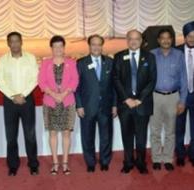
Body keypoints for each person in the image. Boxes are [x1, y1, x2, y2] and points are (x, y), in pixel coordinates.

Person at [113, 30, 157, 174]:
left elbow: (152, 80)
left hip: (142, 104)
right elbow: (116, 79)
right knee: (126, 135)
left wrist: (139, 99)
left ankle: (141, 162)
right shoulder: (119, 56)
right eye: (131, 38)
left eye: (136, 39)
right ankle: (128, 162)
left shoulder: (149, 57)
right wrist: (126, 99)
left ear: (141, 40)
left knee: (141, 136)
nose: (133, 41)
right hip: (125, 105)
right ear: (127, 40)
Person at [0, 32, 39, 176]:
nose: (14, 44)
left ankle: (33, 164)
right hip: (10, 101)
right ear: (8, 43)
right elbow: (0, 81)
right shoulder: (2, 60)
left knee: (30, 134)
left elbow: (34, 78)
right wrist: (13, 95)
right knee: (11, 136)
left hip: (27, 100)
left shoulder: (31, 58)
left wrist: (23, 94)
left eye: (17, 41)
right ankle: (13, 165)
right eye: (11, 42)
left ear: (21, 42)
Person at [75, 34, 116, 173]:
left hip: (106, 106)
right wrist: (79, 105)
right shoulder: (81, 63)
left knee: (106, 136)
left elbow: (114, 86)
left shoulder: (110, 62)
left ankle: (105, 161)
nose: (96, 47)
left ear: (102, 46)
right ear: (89, 46)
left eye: (99, 44)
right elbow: (77, 87)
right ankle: (90, 163)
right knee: (87, 136)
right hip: (87, 107)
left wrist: (115, 105)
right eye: (94, 44)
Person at [38, 35, 78, 175]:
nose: (58, 49)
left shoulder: (71, 63)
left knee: (66, 133)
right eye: (55, 46)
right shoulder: (45, 63)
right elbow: (41, 82)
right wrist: (54, 95)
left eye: (60, 46)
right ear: (51, 48)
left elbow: (75, 81)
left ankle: (65, 163)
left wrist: (63, 94)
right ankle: (55, 163)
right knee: (53, 133)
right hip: (50, 102)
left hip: (67, 102)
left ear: (64, 47)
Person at [150, 29, 187, 171]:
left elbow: (183, 79)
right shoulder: (152, 54)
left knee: (171, 131)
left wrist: (182, 101)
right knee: (155, 130)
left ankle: (167, 158)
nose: (166, 41)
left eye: (168, 38)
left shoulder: (179, 55)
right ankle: (156, 158)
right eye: (163, 38)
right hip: (155, 97)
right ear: (158, 40)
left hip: (173, 97)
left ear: (172, 40)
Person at [176, 21, 194, 167]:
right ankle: (180, 154)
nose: (192, 39)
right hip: (180, 96)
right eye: (189, 36)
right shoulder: (176, 52)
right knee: (179, 126)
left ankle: (193, 153)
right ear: (184, 36)